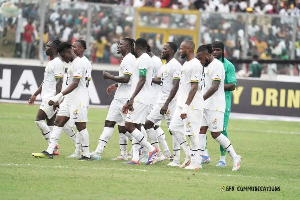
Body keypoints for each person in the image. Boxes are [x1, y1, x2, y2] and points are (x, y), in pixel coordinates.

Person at [32, 42, 91, 160]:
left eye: (63, 56)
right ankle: (50, 150)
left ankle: (86, 154)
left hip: (78, 100)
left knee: (81, 126)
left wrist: (58, 95)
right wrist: (62, 97)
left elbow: (75, 83)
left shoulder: (79, 63)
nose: (63, 59)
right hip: (69, 99)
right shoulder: (72, 64)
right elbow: (69, 83)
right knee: (58, 122)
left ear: (69, 52)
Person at [196, 44, 241, 171]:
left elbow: (215, 87)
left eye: (201, 58)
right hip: (204, 105)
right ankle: (198, 161)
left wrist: (201, 99)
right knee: (201, 130)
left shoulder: (217, 66)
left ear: (207, 55)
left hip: (215, 105)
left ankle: (235, 156)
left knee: (215, 134)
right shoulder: (204, 66)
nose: (200, 61)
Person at [89, 38, 136, 161]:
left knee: (130, 127)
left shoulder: (130, 59)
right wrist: (115, 85)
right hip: (119, 97)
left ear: (128, 46)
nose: (118, 46)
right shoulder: (126, 59)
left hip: (126, 98)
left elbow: (126, 79)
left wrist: (109, 77)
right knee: (111, 124)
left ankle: (142, 149)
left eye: (121, 44)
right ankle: (100, 152)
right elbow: (127, 79)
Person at [28, 39, 76, 156]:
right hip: (47, 97)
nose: (46, 48)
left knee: (39, 120)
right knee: (53, 124)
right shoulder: (51, 63)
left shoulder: (57, 63)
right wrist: (35, 94)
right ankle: (58, 148)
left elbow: (59, 81)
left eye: (48, 46)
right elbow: (45, 82)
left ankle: (52, 145)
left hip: (51, 98)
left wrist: (56, 99)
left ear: (54, 49)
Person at [122, 38, 159, 165]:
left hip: (141, 98)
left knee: (128, 125)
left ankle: (151, 149)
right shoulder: (143, 59)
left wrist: (131, 99)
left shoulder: (143, 59)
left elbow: (142, 79)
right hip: (141, 97)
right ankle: (136, 158)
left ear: (136, 47)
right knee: (137, 126)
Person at [143, 42, 181, 164]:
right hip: (160, 100)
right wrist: (145, 78)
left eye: (165, 49)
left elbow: (175, 86)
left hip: (170, 102)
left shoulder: (175, 65)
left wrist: (167, 103)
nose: (162, 50)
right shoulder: (165, 66)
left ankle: (177, 158)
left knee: (173, 129)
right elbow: (159, 80)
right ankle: (157, 153)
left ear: (172, 51)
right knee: (148, 123)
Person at [169, 40, 203, 170]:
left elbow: (194, 87)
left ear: (189, 49)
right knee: (174, 128)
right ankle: (189, 155)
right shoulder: (186, 64)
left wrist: (186, 106)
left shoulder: (195, 65)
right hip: (181, 103)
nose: (180, 51)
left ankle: (196, 162)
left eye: (182, 49)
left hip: (191, 105)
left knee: (192, 133)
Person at [67, 39, 93, 158]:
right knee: (78, 124)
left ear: (82, 49)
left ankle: (85, 153)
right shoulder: (79, 61)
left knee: (81, 125)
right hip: (76, 97)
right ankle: (78, 151)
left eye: (75, 47)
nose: (73, 49)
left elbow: (80, 81)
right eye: (72, 47)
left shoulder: (82, 62)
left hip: (80, 97)